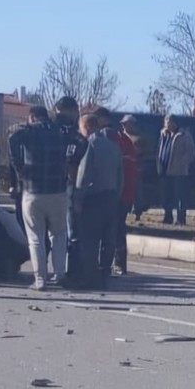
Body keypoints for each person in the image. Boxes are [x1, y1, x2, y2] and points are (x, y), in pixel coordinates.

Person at [8, 106, 70, 290]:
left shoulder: (28, 132)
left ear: (32, 117)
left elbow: (11, 135)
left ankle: (40, 279)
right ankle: (60, 274)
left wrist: (18, 166)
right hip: (58, 190)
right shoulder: (60, 131)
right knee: (59, 235)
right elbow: (80, 142)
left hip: (32, 190)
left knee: (35, 237)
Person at [72, 113, 123, 290]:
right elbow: (120, 175)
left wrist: (77, 198)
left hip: (93, 198)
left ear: (87, 127)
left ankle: (90, 277)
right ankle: (104, 273)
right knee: (108, 239)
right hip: (111, 197)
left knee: (90, 240)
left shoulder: (90, 145)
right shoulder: (114, 147)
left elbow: (83, 174)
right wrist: (116, 196)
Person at [93, 107, 137, 275]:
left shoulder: (110, 138)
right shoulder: (123, 140)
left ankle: (111, 264)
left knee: (112, 229)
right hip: (123, 192)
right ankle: (118, 263)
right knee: (117, 228)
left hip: (116, 192)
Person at [53, 97, 88, 283]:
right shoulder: (76, 137)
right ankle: (70, 271)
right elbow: (75, 166)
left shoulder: (49, 133)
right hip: (67, 187)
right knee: (70, 232)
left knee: (50, 234)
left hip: (45, 187)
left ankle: (45, 272)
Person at [157, 114, 195, 225]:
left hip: (179, 172)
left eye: (168, 123)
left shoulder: (184, 135)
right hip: (165, 170)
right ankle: (167, 217)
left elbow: (190, 153)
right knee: (166, 196)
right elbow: (160, 149)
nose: (166, 125)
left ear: (174, 123)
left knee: (179, 197)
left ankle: (180, 219)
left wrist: (180, 164)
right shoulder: (163, 134)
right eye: (165, 123)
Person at [124, 115, 154, 222]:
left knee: (137, 191)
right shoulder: (121, 137)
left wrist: (139, 151)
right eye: (123, 124)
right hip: (123, 168)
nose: (125, 126)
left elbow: (148, 151)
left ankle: (137, 212)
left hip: (136, 168)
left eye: (127, 124)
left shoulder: (140, 138)